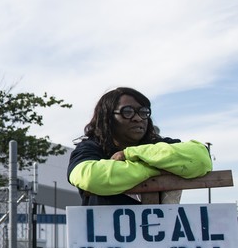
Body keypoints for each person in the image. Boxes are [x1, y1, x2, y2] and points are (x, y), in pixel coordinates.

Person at [67, 87, 212, 205]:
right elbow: (89, 177)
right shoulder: (90, 148)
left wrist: (130, 154)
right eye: (127, 112)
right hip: (106, 238)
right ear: (108, 117)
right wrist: (160, 167)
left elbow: (201, 158)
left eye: (143, 112)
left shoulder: (156, 145)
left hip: (160, 236)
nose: (138, 118)